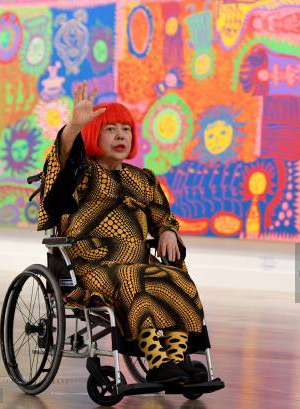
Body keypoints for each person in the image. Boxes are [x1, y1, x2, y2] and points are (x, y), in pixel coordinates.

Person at [36, 81, 207, 385]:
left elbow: (160, 214)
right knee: (130, 278)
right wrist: (73, 127)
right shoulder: (82, 172)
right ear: (93, 133)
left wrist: (167, 230)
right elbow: (59, 170)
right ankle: (156, 362)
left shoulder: (142, 179)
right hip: (93, 264)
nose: (120, 136)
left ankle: (177, 358)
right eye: (110, 129)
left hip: (139, 261)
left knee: (177, 278)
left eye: (125, 129)